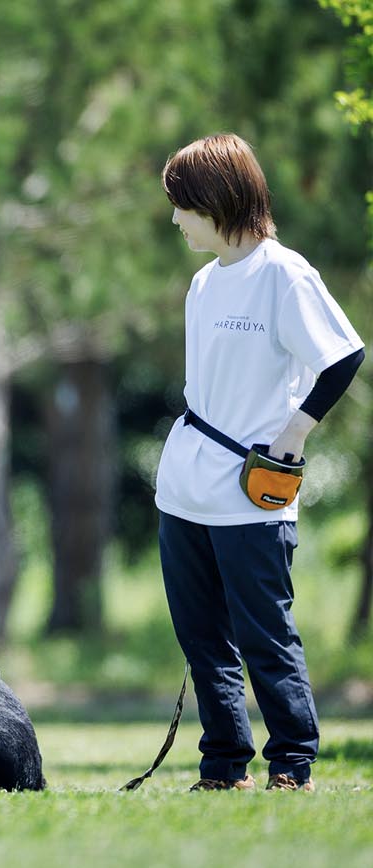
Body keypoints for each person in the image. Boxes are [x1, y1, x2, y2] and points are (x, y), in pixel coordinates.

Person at [155, 133, 364, 793]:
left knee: (265, 637)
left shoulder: (284, 274)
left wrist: (295, 432)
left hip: (250, 494)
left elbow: (343, 356)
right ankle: (223, 767)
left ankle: (292, 764)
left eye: (182, 205)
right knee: (204, 643)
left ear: (216, 200)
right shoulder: (201, 282)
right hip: (183, 488)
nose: (174, 218)